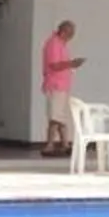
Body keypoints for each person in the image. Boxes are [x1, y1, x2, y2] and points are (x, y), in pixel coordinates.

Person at [41, 19, 85, 158]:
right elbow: (54, 65)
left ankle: (65, 144)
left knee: (60, 116)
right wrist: (71, 64)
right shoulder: (54, 44)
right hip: (56, 85)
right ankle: (49, 145)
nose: (71, 37)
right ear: (64, 32)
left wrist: (71, 65)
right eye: (70, 33)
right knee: (55, 116)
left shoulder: (60, 44)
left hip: (62, 85)